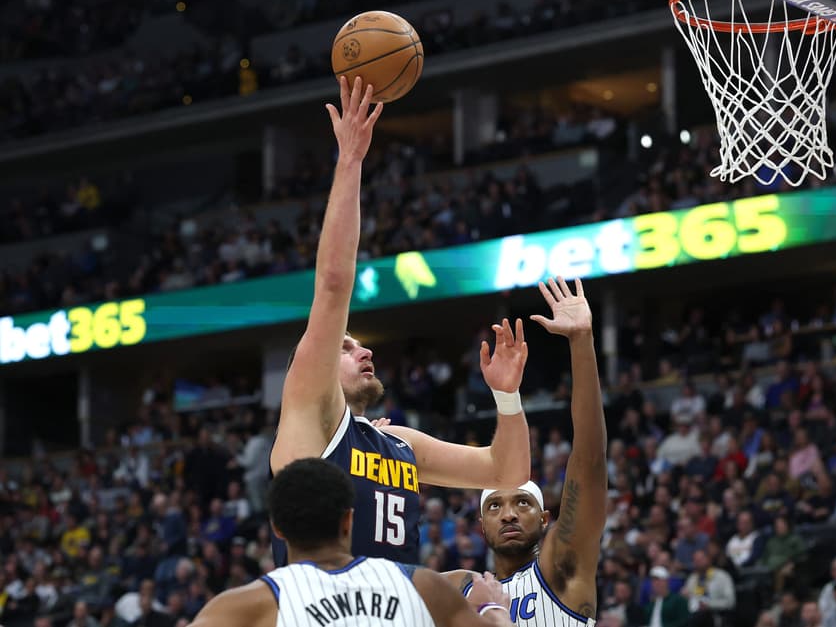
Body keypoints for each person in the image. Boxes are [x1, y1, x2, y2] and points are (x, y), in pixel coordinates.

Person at [270, 76, 530, 566]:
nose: (363, 351)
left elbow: (507, 470)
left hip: (394, 608)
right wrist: (350, 159)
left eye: (359, 345)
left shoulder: (398, 443)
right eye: (345, 348)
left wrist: (507, 395)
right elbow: (332, 287)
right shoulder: (309, 415)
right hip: (327, 613)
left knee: (471, 588)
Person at [445, 277, 606, 626]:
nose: (508, 514)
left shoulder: (560, 567)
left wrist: (581, 340)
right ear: (481, 525)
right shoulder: (463, 588)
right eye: (495, 506)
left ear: (545, 518)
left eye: (522, 502)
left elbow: (590, 460)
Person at [188, 458, 515, 627]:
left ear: (277, 528)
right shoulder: (423, 587)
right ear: (349, 520)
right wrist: (492, 607)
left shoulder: (247, 605)